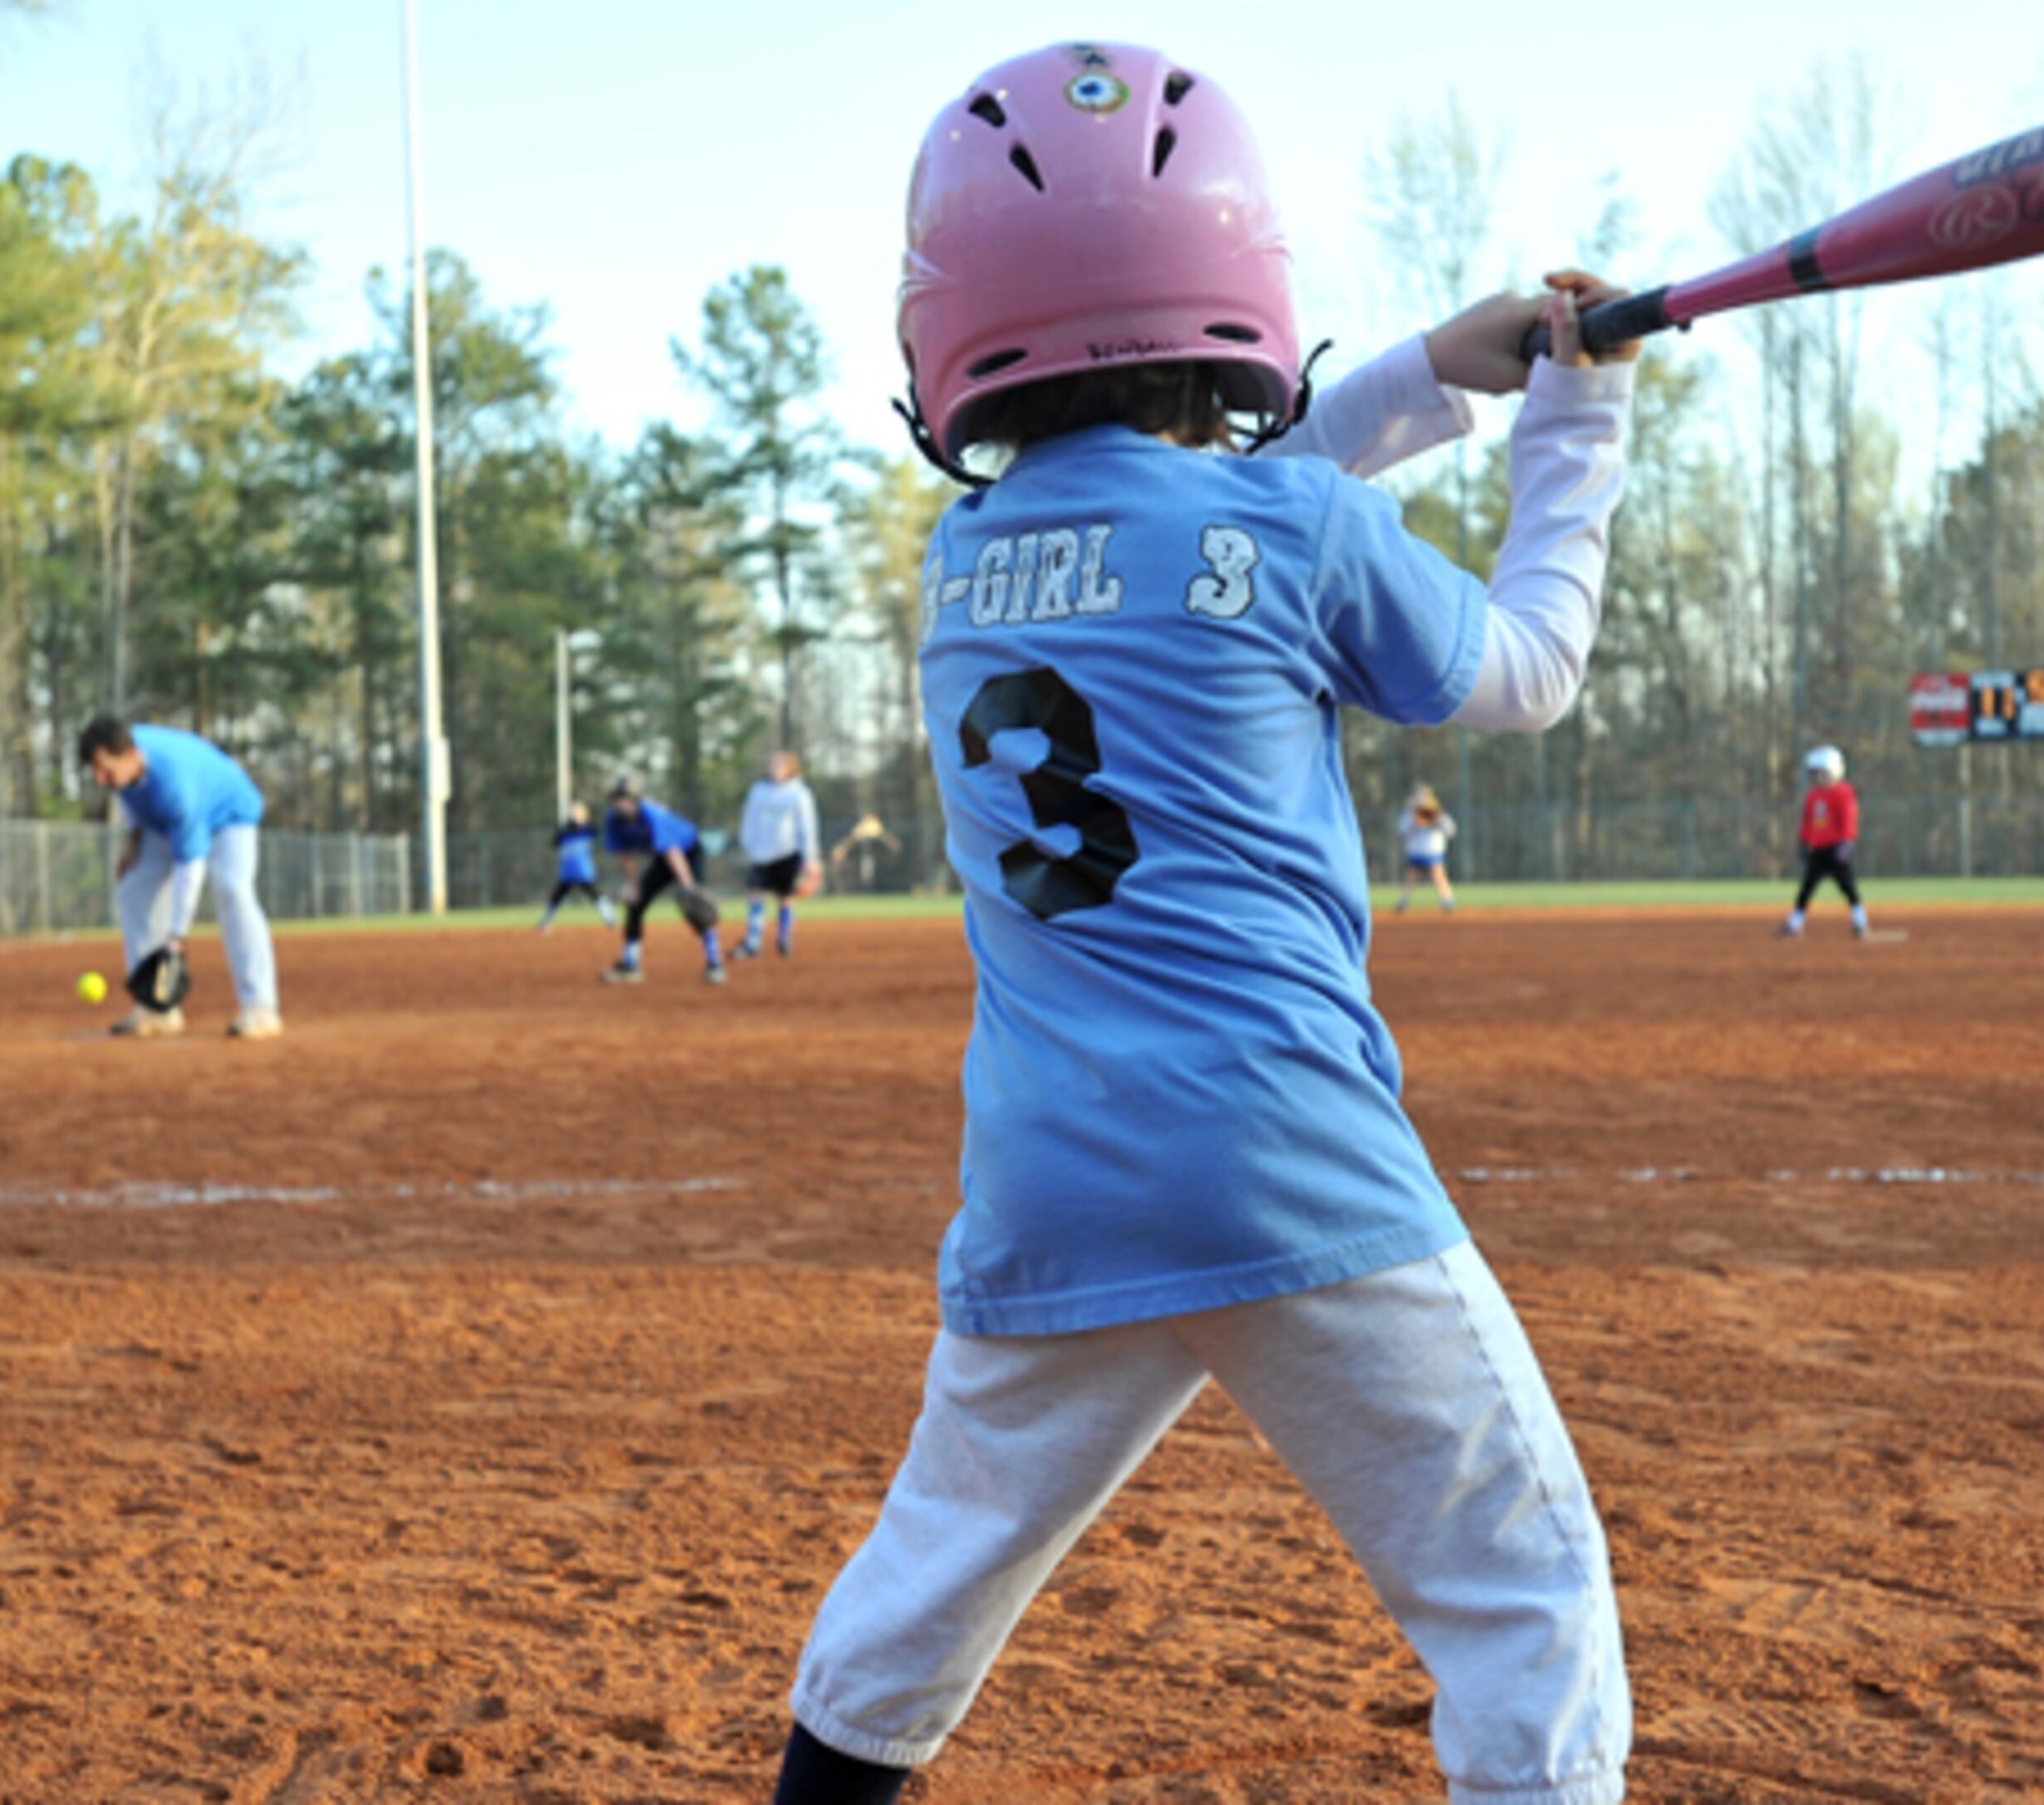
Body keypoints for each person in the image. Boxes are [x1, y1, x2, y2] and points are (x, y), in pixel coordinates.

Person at [770, 43, 1635, 1805]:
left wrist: (1427, 375)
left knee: (922, 1602)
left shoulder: (956, 566)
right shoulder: (1297, 523)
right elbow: (1525, 669)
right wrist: (1575, 420)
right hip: (1293, 1162)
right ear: (1242, 292)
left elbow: (1181, 519)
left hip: (1051, 1182)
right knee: (1520, 1595)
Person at [78, 716, 281, 1040]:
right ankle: (156, 1007)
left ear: (130, 755)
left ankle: (260, 1007)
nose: (102, 779)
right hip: (163, 824)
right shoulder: (125, 769)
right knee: (133, 889)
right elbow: (129, 798)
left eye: (106, 770)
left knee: (233, 890)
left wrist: (176, 937)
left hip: (228, 815)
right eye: (95, 771)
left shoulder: (174, 784)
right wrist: (132, 842)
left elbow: (191, 866)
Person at [600, 776, 723, 986]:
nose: (620, 803)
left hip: (690, 851)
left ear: (636, 800)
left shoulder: (651, 816)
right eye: (616, 798)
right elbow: (625, 856)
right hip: (664, 857)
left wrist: (689, 887)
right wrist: (634, 886)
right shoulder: (613, 820)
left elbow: (673, 852)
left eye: (625, 798)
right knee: (635, 905)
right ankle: (631, 965)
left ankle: (715, 964)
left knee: (697, 908)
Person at [732, 750, 821, 959]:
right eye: (772, 764)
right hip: (760, 853)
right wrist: (748, 844)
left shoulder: (799, 792)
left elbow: (807, 827)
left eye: (780, 765)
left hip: (787, 852)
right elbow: (749, 820)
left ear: (790, 768)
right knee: (755, 894)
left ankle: (784, 938)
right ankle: (753, 942)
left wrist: (810, 857)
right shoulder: (758, 791)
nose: (775, 769)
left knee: (786, 897)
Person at [1780, 744, 1869, 940]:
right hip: (1818, 850)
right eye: (1814, 774)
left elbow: (1848, 819)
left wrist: (1846, 842)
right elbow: (1808, 822)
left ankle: (1860, 922)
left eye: (1820, 773)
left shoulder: (1843, 793)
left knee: (1848, 887)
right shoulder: (1813, 795)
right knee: (1806, 889)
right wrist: (1803, 842)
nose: (1816, 778)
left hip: (1836, 850)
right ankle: (1795, 924)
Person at [537, 801, 616, 932]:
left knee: (594, 894)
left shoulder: (589, 830)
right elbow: (554, 842)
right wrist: (563, 830)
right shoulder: (564, 831)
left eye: (577, 812)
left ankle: (610, 918)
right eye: (573, 812)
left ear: (584, 815)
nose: (574, 815)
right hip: (568, 871)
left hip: (584, 870)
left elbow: (601, 839)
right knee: (557, 895)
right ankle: (547, 921)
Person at [1394, 785, 1458, 915]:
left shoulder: (1438, 814)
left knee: (1438, 876)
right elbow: (1401, 830)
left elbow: (1451, 830)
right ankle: (1403, 902)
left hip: (1433, 851)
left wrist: (1436, 822)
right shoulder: (1410, 816)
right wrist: (1414, 824)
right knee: (1411, 877)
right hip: (1416, 852)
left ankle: (1447, 901)